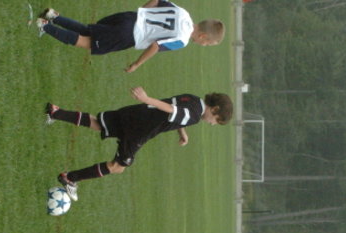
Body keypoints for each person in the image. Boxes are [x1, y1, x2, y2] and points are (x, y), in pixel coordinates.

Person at [45, 86, 233, 201]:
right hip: (140, 129)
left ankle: (55, 112)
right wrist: (146, 97)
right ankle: (71, 178)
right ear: (215, 109)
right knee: (118, 167)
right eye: (216, 121)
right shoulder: (194, 116)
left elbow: (176, 113)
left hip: (136, 113)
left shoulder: (194, 100)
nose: (212, 124)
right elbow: (172, 110)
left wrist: (182, 131)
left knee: (98, 124)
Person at [31, 0, 225, 73]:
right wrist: (137, 64)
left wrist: (141, 14)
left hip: (129, 17)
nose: (204, 46)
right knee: (87, 42)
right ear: (203, 37)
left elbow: (156, 0)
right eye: (208, 44)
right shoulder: (182, 40)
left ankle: (54, 16)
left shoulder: (184, 13)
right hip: (128, 35)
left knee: (90, 31)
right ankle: (45, 26)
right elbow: (155, 46)